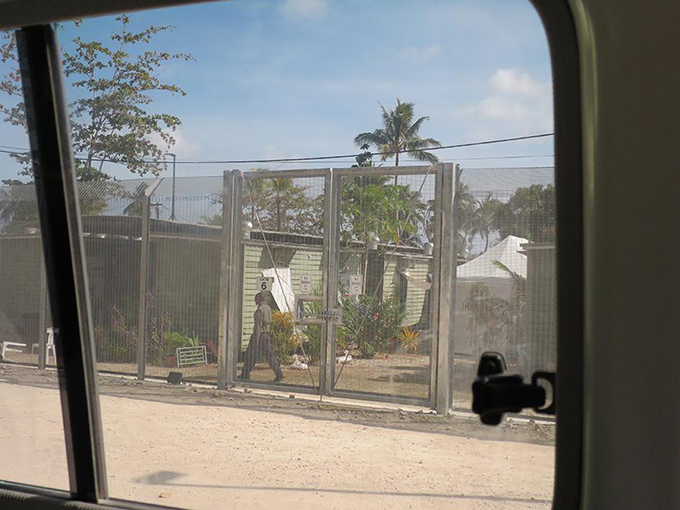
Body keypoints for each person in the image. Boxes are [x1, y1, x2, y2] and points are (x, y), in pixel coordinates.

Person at [239, 292, 284, 382]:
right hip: (267, 334)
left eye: (256, 299)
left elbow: (258, 326)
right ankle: (279, 373)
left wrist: (256, 340)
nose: (255, 301)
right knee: (270, 356)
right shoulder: (268, 308)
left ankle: (245, 374)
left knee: (250, 355)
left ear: (259, 299)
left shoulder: (259, 310)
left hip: (260, 335)